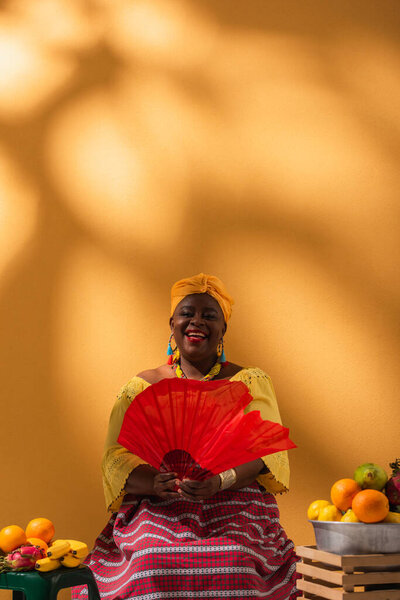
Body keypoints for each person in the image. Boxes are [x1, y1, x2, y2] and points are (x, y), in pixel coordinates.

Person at [73, 273, 300, 600]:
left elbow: (267, 451)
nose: (197, 321)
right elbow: (115, 458)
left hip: (236, 504)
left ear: (223, 329)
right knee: (152, 562)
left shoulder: (249, 381)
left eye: (209, 315)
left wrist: (220, 480)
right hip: (159, 509)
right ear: (172, 323)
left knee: (234, 561)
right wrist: (154, 483)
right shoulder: (142, 386)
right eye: (187, 313)